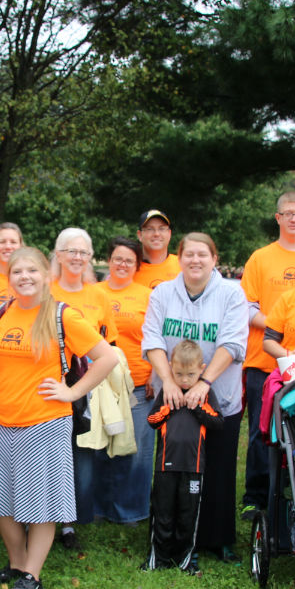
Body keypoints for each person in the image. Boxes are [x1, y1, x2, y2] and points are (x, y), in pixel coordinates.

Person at [0, 247, 118, 589]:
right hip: (4, 422)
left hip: (46, 423)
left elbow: (108, 357)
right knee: (2, 503)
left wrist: (72, 392)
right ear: (8, 277)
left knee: (40, 505)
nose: (24, 277)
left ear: (45, 275)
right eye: (17, 271)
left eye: (32, 271)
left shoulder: (60, 316)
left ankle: (32, 576)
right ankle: (17, 565)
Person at [142, 233, 248, 564]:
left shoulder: (231, 293)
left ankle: (218, 538)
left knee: (217, 467)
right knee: (175, 468)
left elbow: (231, 343)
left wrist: (205, 382)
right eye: (189, 254)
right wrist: (168, 381)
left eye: (203, 254)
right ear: (180, 257)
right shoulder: (163, 292)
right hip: (173, 400)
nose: (195, 260)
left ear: (214, 259)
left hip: (219, 394)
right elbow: (152, 338)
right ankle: (170, 535)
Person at [238, 192, 295, 520]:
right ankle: (256, 497)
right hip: (264, 359)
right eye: (287, 213)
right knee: (261, 430)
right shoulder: (261, 258)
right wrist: (280, 326)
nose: (293, 218)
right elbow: (247, 307)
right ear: (278, 218)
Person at [50, 227, 119, 549]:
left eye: (83, 252)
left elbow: (111, 343)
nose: (77, 258)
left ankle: (69, 523)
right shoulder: (45, 291)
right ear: (58, 254)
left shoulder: (98, 296)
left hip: (89, 387)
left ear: (90, 257)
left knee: (81, 458)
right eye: (71, 251)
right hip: (51, 384)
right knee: (48, 455)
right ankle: (40, 516)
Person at [143, 339, 223, 572]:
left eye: (190, 374)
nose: (185, 380)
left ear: (201, 369)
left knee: (188, 515)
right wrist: (168, 408)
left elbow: (218, 422)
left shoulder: (205, 394)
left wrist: (197, 407)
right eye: (178, 374)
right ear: (170, 368)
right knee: (162, 513)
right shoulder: (168, 392)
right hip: (165, 466)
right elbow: (152, 421)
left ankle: (185, 559)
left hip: (194, 466)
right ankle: (158, 559)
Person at [96, 236, 155, 526]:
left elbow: (158, 338)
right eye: (117, 258)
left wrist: (157, 372)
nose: (122, 264)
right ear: (109, 260)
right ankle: (98, 507)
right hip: (98, 384)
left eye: (129, 260)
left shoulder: (147, 295)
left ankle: (130, 510)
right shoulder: (93, 292)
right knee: (98, 447)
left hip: (139, 383)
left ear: (137, 265)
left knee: (134, 449)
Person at [132, 209, 180, 289]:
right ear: (140, 235)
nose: (156, 234)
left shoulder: (183, 266)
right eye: (150, 229)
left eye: (162, 229)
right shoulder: (130, 268)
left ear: (169, 233)